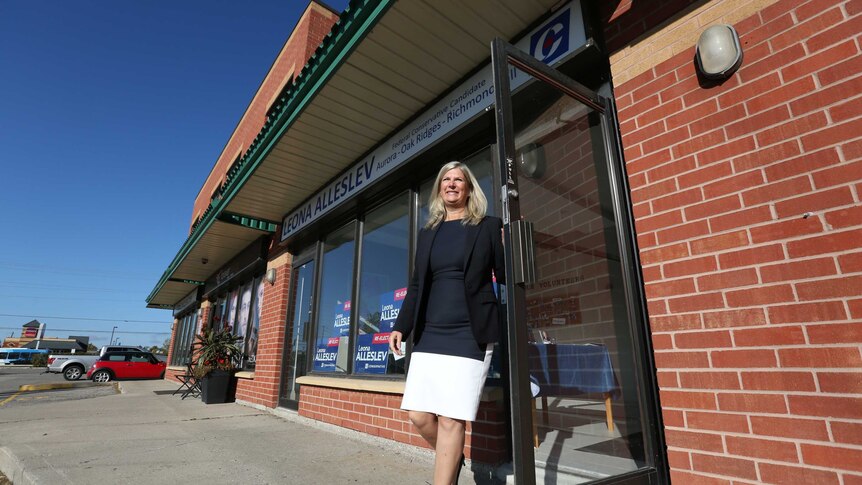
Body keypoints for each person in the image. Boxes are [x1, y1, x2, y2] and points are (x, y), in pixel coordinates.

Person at [389, 161, 505, 485]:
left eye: (459, 179)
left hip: (470, 333)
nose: (452, 184)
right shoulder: (429, 233)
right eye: (446, 180)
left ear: (469, 188)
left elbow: (506, 275)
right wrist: (402, 326)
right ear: (440, 188)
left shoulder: (487, 226)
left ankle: (445, 478)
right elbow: (416, 285)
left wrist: (512, 246)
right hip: (431, 332)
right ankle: (452, 456)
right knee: (418, 414)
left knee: (453, 420)